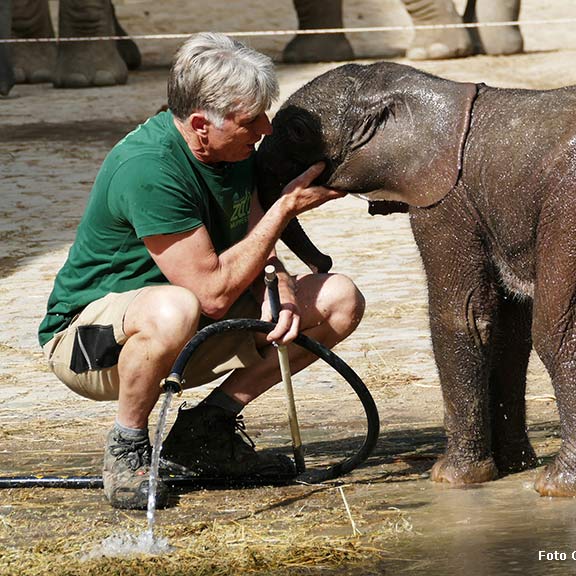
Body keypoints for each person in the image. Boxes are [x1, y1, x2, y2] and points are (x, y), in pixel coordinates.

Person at [37, 32, 365, 510]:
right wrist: (286, 208)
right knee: (176, 306)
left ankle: (206, 428)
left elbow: (257, 247)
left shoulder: (232, 152)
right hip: (91, 345)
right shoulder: (150, 168)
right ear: (200, 124)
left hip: (187, 330)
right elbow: (211, 294)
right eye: (250, 120)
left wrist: (285, 289)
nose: (265, 130)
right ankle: (127, 448)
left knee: (339, 299)